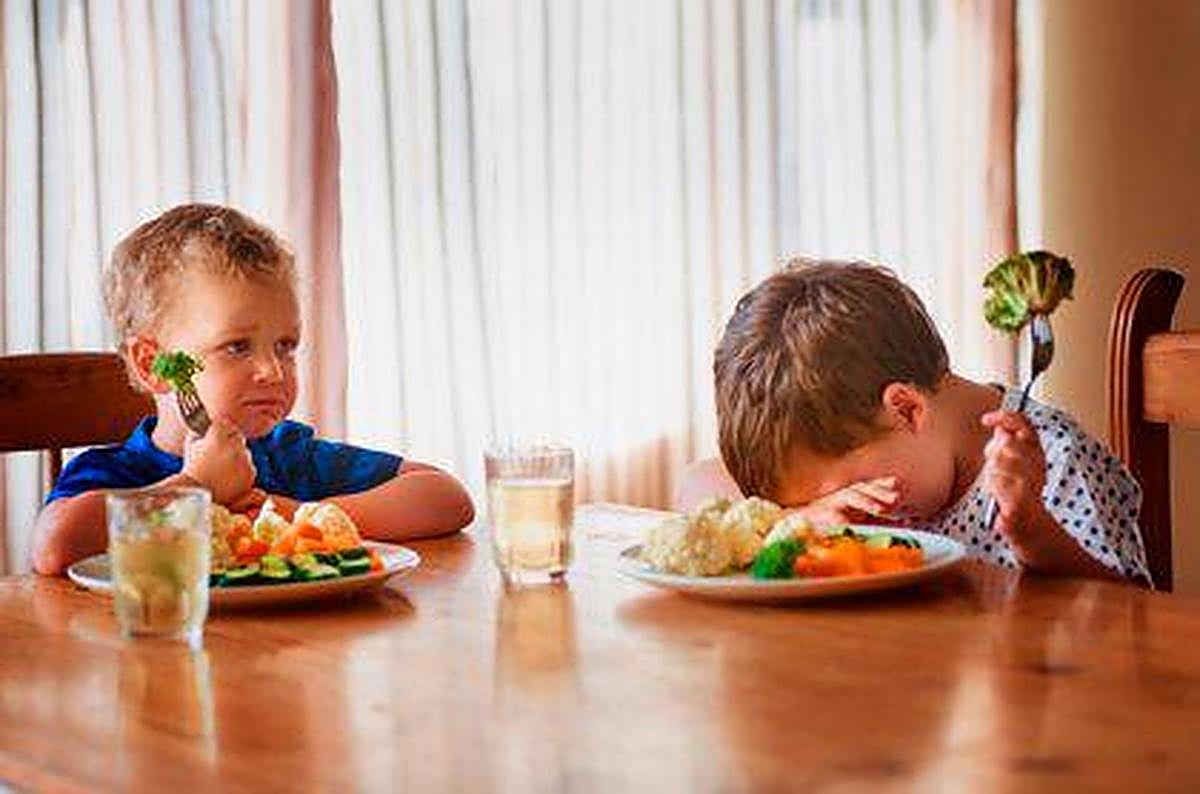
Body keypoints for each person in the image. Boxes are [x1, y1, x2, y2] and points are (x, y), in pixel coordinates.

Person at [33, 203, 474, 575]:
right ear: (154, 365)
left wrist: (299, 517)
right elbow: (55, 546)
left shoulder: (287, 455)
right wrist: (194, 487)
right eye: (236, 347)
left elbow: (447, 498)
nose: (272, 370)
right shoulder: (122, 473)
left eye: (285, 346)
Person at [679, 259, 1150, 583]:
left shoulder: (1052, 463)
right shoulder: (869, 448)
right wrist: (796, 520)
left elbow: (1130, 619)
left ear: (906, 409)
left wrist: (1031, 530)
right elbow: (696, 484)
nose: (842, 509)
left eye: (845, 490)